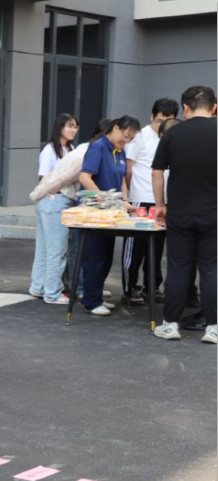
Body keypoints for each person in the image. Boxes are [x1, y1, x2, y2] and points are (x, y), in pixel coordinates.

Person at [152, 85, 217, 343]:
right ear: (214, 107)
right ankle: (213, 328)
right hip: (213, 214)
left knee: (178, 268)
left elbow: (157, 171)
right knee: (211, 269)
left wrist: (160, 204)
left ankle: (170, 325)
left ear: (185, 108)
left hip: (179, 213)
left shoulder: (172, 134)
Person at [78, 115, 141, 316]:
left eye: (130, 138)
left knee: (105, 258)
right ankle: (91, 301)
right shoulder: (98, 147)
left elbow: (121, 178)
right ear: (115, 127)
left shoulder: (120, 151)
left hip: (110, 213)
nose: (126, 140)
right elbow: (84, 177)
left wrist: (124, 200)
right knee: (94, 258)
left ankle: (94, 296)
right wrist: (104, 199)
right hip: (94, 213)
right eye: (126, 135)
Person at [121, 98, 178, 307]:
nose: (162, 126)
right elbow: (128, 169)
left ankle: (151, 286)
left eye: (167, 121)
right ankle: (129, 289)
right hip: (140, 200)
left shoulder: (172, 136)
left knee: (156, 248)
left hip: (163, 201)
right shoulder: (141, 136)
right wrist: (131, 195)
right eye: (159, 121)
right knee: (135, 247)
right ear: (152, 116)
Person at [29, 113, 79, 305]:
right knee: (56, 250)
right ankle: (52, 293)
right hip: (52, 200)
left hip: (52, 201)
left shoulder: (71, 149)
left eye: (75, 126)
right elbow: (44, 178)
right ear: (60, 127)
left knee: (45, 249)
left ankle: (39, 287)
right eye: (69, 126)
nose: (73, 130)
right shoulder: (50, 150)